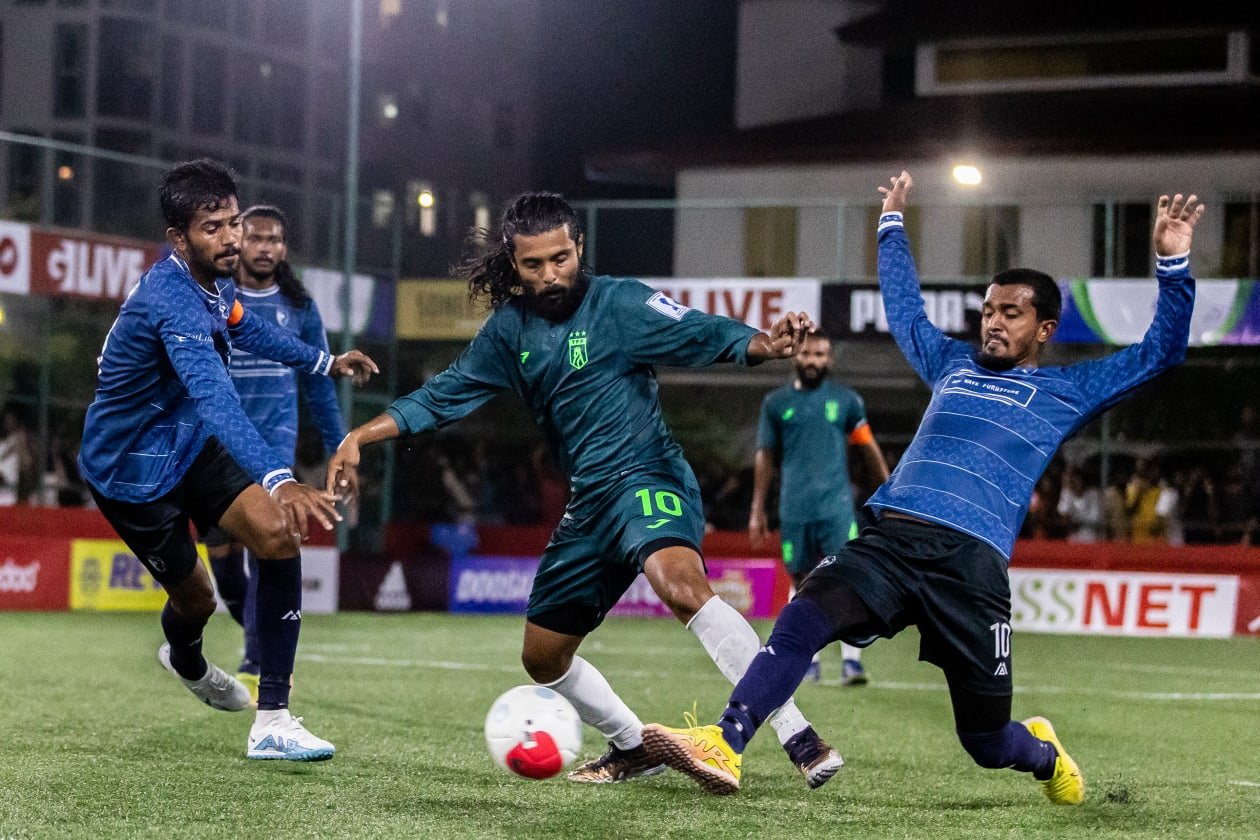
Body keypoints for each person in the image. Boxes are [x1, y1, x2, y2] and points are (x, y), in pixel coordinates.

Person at [642, 170, 1202, 803]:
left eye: (1011, 313)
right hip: (891, 541)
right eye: (988, 311)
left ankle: (1043, 753)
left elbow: (1160, 353)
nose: (993, 323)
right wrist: (890, 225)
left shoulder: (1066, 391)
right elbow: (905, 307)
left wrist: (1172, 263)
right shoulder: (951, 362)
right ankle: (725, 742)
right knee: (803, 616)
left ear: (1045, 329)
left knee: (985, 741)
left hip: (970, 567)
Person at [326, 192, 844, 788]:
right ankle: (633, 745)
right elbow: (443, 395)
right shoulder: (509, 331)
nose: (550, 274)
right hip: (589, 503)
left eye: (561, 258)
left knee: (681, 586)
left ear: (579, 246)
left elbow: (700, 331)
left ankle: (799, 737)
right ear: (513, 263)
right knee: (543, 657)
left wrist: (763, 343)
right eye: (533, 264)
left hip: (647, 475)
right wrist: (359, 436)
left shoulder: (618, 303)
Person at [78, 159, 378, 761]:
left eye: (234, 222)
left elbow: (246, 328)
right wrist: (281, 478)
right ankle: (187, 661)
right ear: (178, 238)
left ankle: (273, 720)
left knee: (278, 535)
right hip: (130, 469)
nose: (232, 238)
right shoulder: (173, 302)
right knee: (197, 601)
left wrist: (323, 361)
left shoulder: (216, 283)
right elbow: (216, 400)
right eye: (212, 227)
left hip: (188, 444)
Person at [201, 205, 349, 702]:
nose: (266, 247)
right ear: (238, 241)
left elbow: (319, 383)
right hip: (217, 445)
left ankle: (255, 661)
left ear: (284, 248)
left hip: (274, 448)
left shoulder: (299, 307)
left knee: (268, 550)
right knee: (225, 572)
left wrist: (339, 447)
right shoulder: (217, 297)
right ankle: (259, 640)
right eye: (257, 238)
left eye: (276, 239)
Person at [748, 330, 888, 685]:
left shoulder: (846, 401)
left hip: (836, 507)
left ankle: (852, 663)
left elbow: (868, 447)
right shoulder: (776, 403)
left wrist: (890, 492)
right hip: (794, 508)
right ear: (795, 355)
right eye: (808, 354)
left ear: (830, 359)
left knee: (848, 577)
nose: (813, 361)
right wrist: (757, 508)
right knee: (801, 580)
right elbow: (765, 455)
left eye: (821, 354)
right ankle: (807, 660)